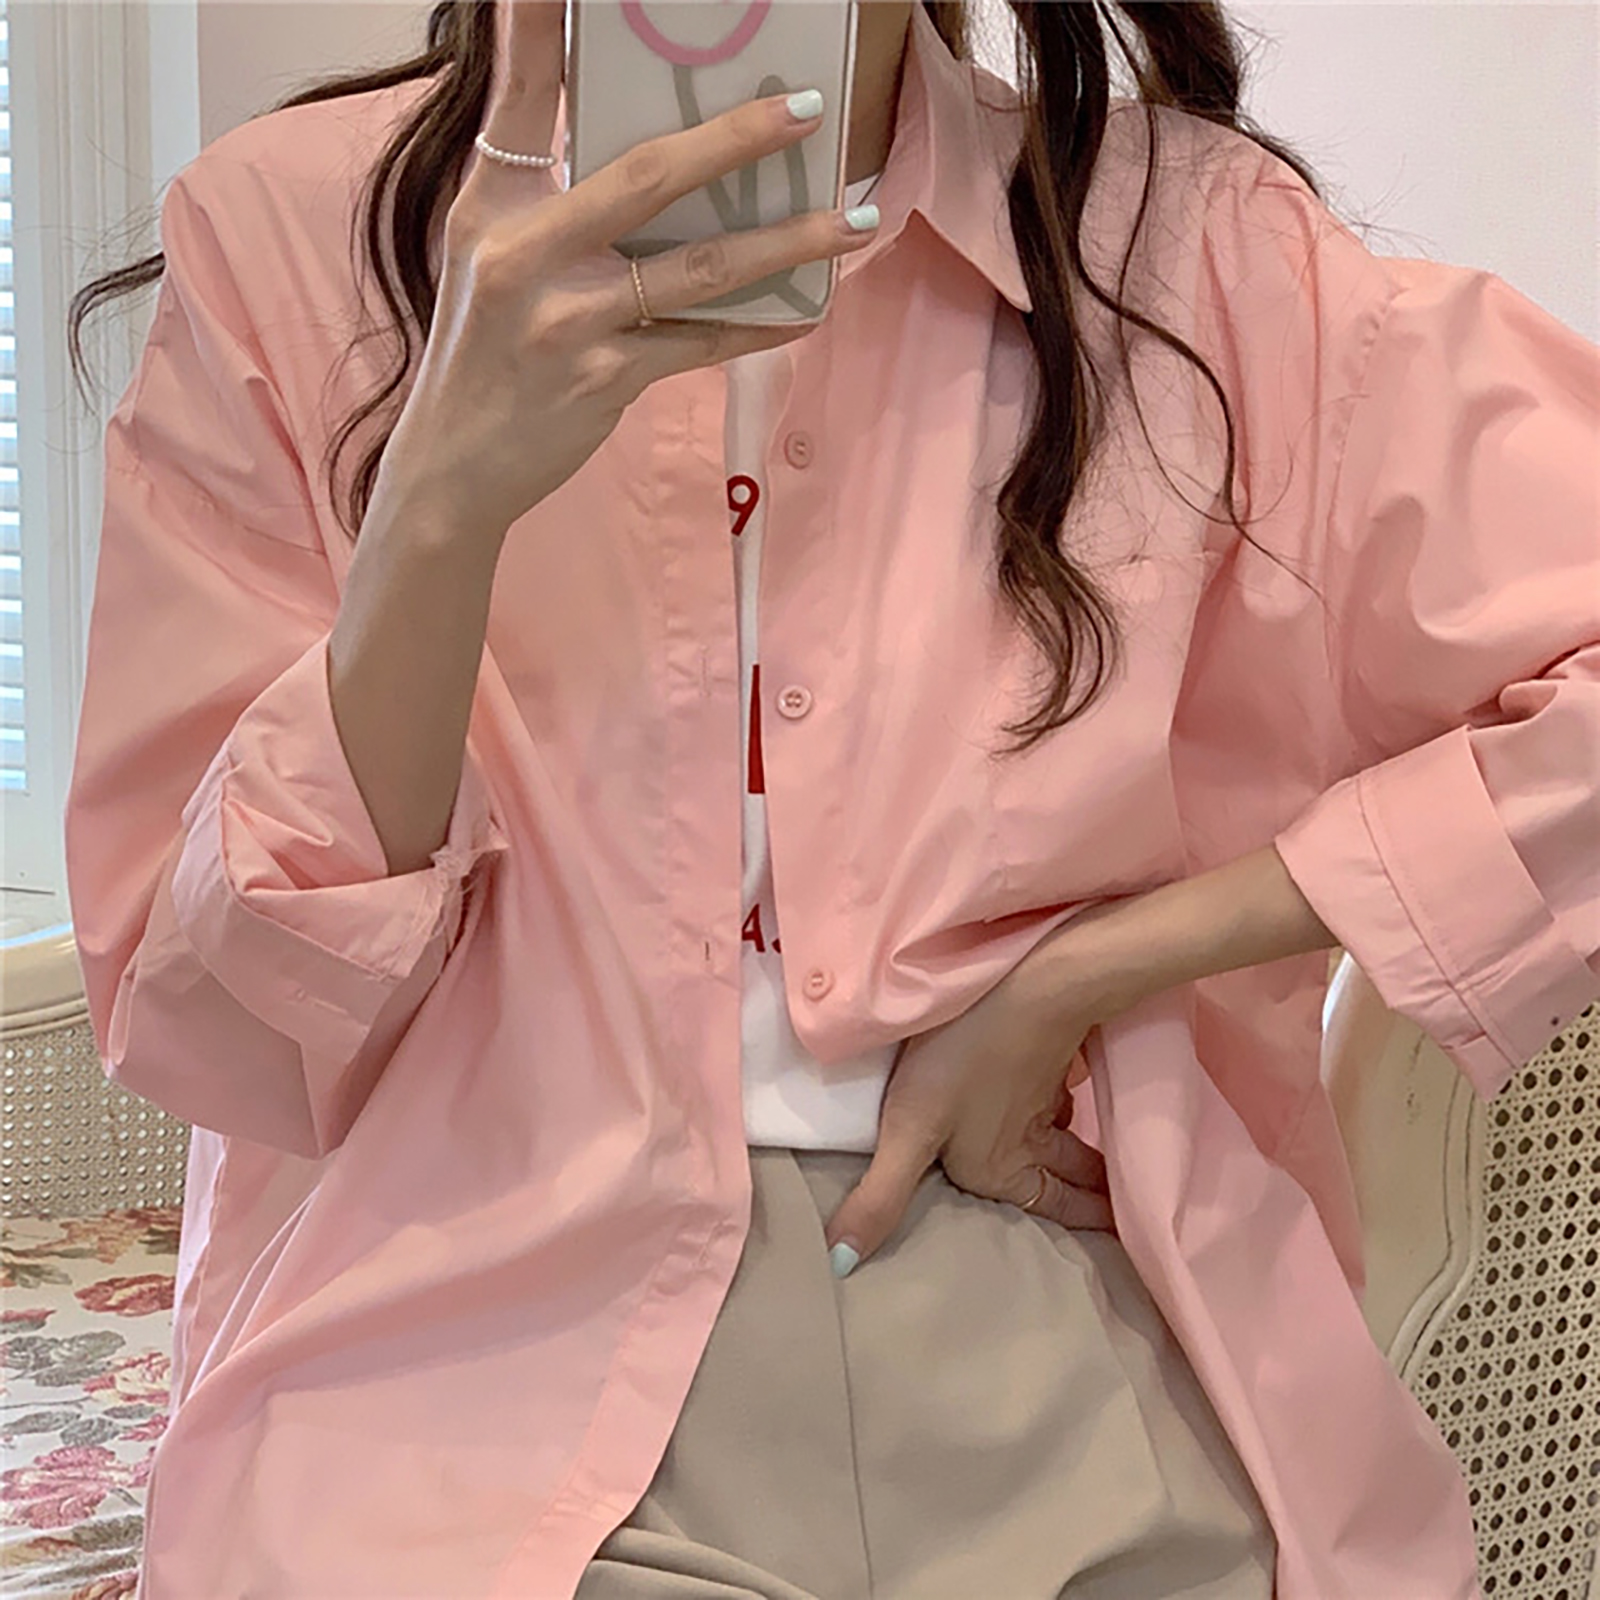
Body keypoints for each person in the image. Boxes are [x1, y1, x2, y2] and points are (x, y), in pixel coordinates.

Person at [63, 2, 1599, 1597]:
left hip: (1059, 1302)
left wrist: (1099, 967)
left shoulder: (1187, 252)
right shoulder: (298, 239)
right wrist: (437, 509)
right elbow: (214, 1027)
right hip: (456, 1339)